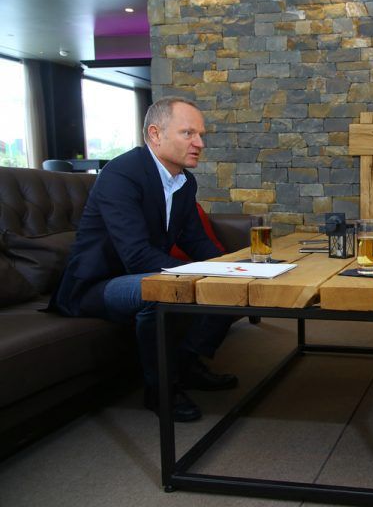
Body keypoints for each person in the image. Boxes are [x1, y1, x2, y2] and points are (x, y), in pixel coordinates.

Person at [51, 96, 238, 423]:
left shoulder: (184, 181)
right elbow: (136, 256)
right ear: (155, 133)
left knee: (231, 284)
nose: (200, 143)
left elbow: (195, 239)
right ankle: (160, 389)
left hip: (139, 275)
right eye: (188, 133)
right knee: (159, 291)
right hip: (97, 284)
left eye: (201, 134)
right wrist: (204, 272)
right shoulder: (121, 174)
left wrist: (233, 269)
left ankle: (187, 363)